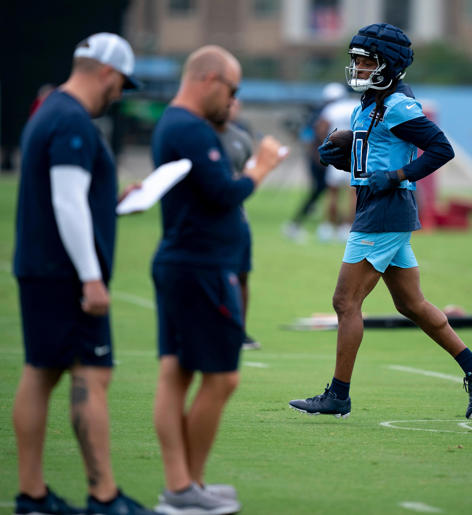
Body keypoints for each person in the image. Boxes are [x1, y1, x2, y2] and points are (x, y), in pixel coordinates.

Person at [289, 23, 472, 420]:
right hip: (380, 207)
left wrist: (401, 176)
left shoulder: (399, 105)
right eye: (356, 61)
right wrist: (345, 153)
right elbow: (377, 149)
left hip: (385, 209)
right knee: (411, 304)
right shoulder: (369, 103)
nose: (359, 68)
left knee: (345, 301)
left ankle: (338, 396)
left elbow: (441, 148)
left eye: (366, 62)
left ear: (389, 64)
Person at [12, 33, 157, 515]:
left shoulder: (49, 111)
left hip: (40, 266)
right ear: (107, 73)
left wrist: (110, 207)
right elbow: (66, 200)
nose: (120, 95)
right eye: (122, 85)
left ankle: (31, 494)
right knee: (91, 376)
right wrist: (92, 278)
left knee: (40, 372)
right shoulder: (73, 120)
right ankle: (104, 496)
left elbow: (69, 196)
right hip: (66, 275)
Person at [150, 45, 287, 514]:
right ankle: (185, 486)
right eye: (232, 88)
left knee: (178, 372)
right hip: (200, 266)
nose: (234, 99)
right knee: (222, 378)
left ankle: (186, 484)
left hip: (189, 262)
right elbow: (223, 193)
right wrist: (263, 166)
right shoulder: (188, 127)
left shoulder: (179, 124)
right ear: (209, 79)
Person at [212, 97, 262, 350]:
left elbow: (246, 176)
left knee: (241, 275)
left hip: (238, 218)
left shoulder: (240, 138)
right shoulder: (198, 134)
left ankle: (238, 332)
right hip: (207, 221)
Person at [283, 82, 346, 242]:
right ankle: (297, 224)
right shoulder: (323, 115)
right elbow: (313, 138)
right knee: (322, 190)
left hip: (320, 157)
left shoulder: (323, 113)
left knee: (325, 191)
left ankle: (333, 225)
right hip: (319, 158)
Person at [313, 84, 358, 242]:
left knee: (333, 193)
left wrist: (325, 147)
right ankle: (347, 228)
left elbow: (321, 128)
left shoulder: (331, 109)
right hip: (354, 155)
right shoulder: (356, 106)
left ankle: (329, 226)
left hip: (336, 155)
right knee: (353, 194)